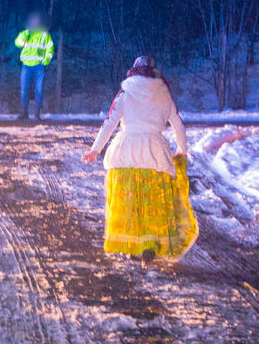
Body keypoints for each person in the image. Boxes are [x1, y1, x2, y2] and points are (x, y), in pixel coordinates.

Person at [82, 57, 198, 263]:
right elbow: (178, 125)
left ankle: (131, 243)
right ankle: (150, 244)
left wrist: (95, 149)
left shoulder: (125, 95)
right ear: (154, 73)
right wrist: (182, 149)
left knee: (129, 201)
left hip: (126, 152)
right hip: (155, 153)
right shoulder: (164, 96)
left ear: (133, 72)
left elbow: (109, 123)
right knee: (152, 203)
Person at [14, 11, 54, 120]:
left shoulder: (45, 35)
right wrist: (25, 35)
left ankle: (37, 113)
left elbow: (50, 48)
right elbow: (18, 43)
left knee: (39, 89)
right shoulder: (26, 33)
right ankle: (24, 113)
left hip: (38, 66)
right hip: (26, 65)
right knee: (24, 89)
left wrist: (46, 59)